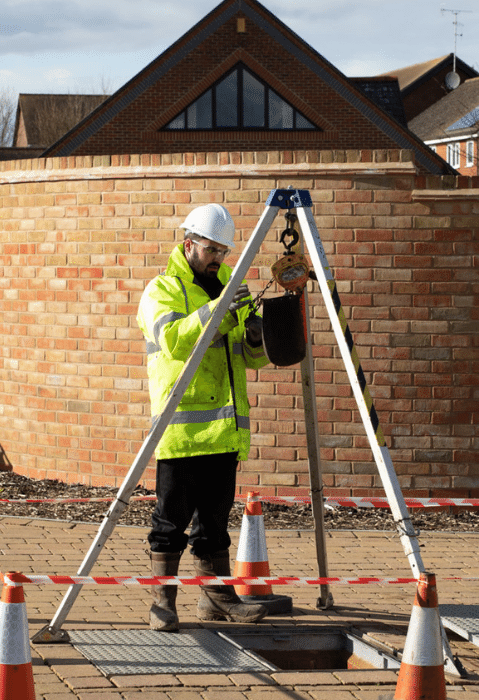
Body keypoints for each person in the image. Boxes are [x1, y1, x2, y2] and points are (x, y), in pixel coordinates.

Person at [136, 203, 270, 632]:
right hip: (182, 431)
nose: (219, 258)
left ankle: (216, 598)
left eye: (224, 251)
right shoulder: (163, 289)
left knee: (215, 522)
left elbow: (252, 360)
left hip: (224, 430)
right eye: (211, 249)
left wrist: (254, 333)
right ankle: (163, 602)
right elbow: (173, 340)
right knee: (169, 523)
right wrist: (218, 313)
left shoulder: (230, 284)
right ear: (188, 243)